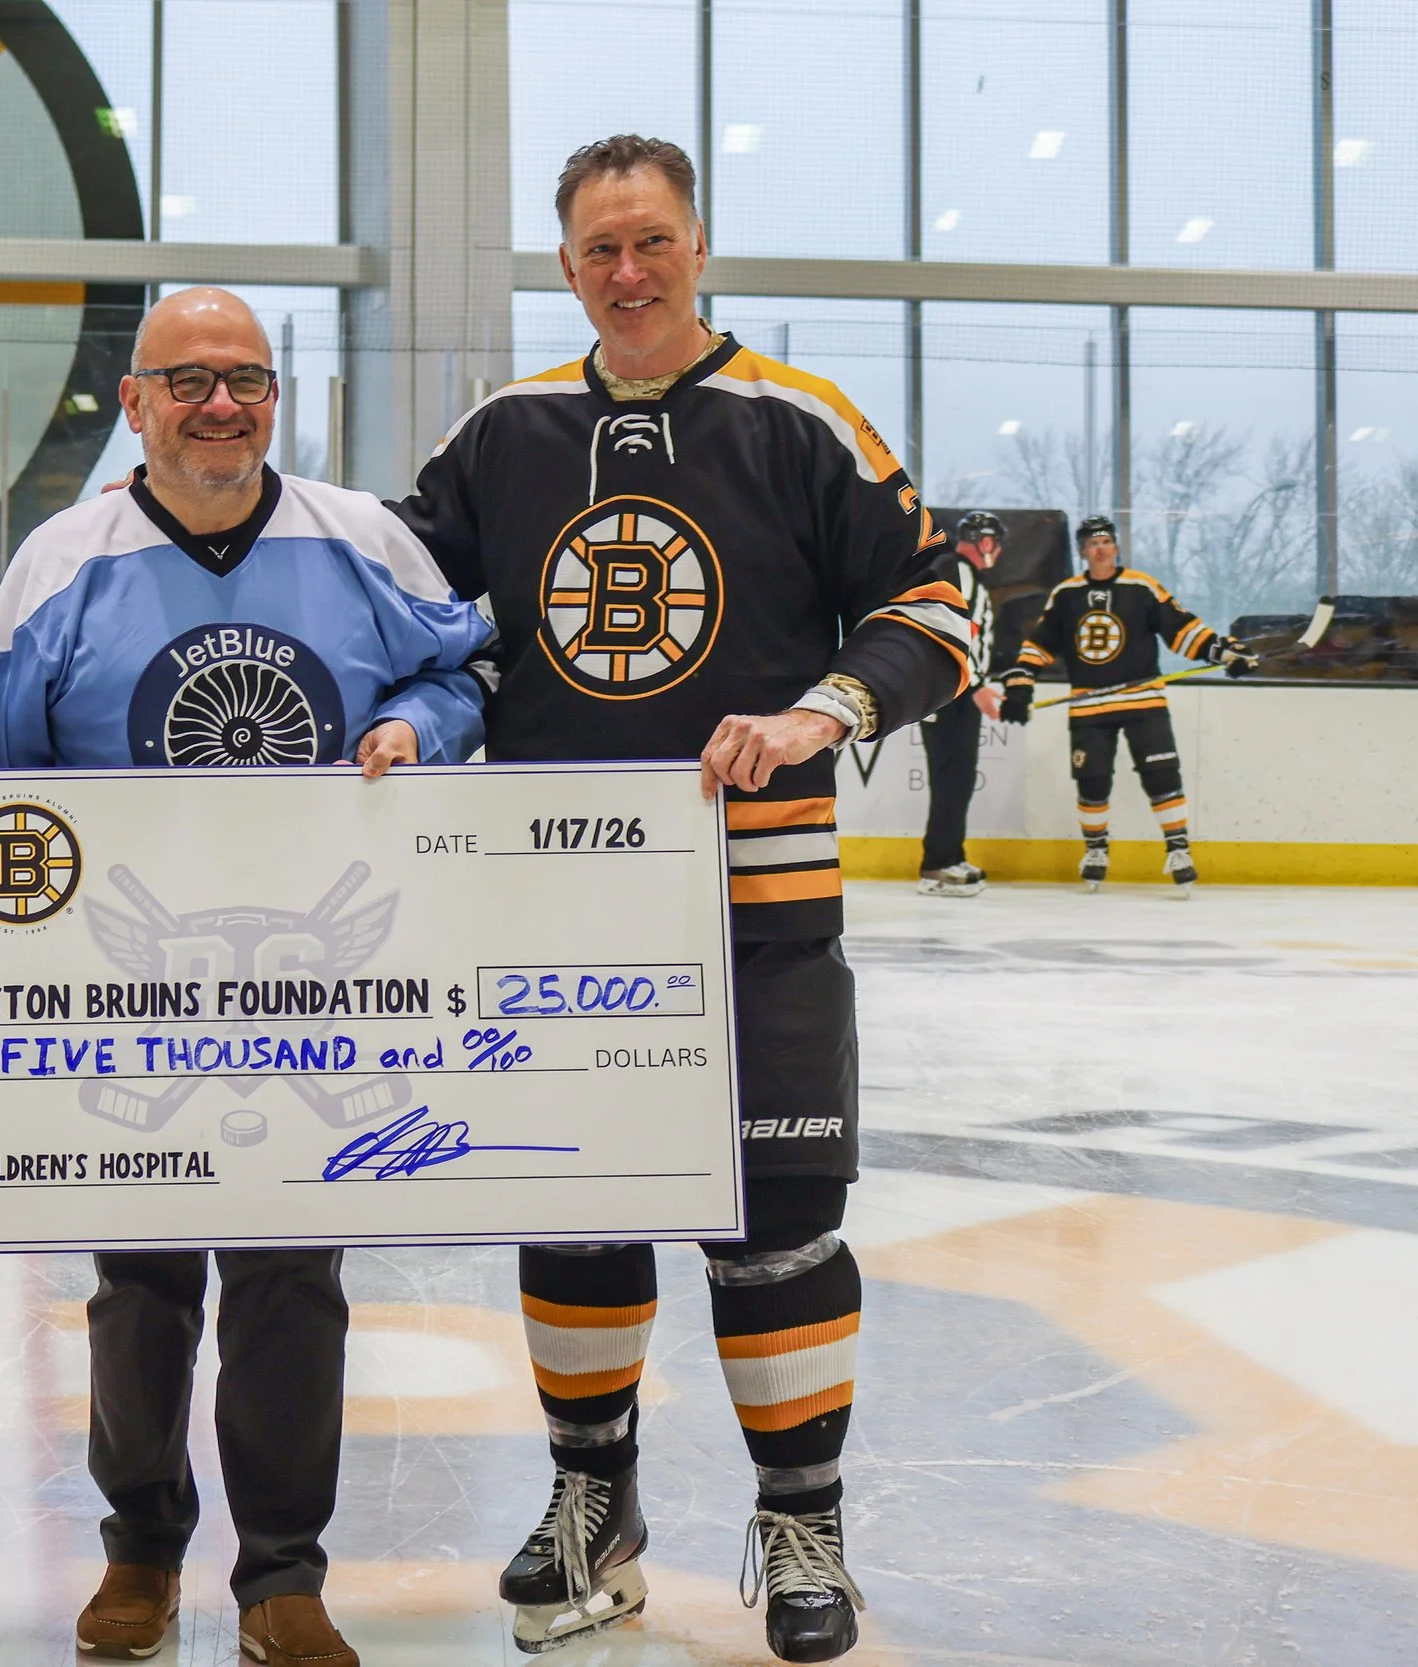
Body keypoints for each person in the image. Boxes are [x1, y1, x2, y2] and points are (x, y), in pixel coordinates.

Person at [391, 134, 974, 1664]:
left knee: (778, 1223)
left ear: (699, 243)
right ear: (566, 264)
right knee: (574, 1210)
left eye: (652, 240)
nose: (629, 273)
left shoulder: (797, 421)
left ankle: (803, 1522)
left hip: (759, 908)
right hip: (549, 910)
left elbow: (940, 603)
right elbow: (395, 607)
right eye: (599, 249)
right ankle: (599, 1500)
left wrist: (827, 706)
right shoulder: (503, 433)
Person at [0, 286, 495, 1667]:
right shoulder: (64, 560)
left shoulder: (360, 539)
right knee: (142, 1280)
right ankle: (142, 1551)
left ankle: (284, 1570)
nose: (220, 403)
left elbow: (467, 672)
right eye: (189, 380)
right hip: (131, 988)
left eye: (245, 377)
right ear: (135, 403)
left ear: (274, 395)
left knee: (294, 1275)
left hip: (318, 981)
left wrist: (415, 723)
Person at [997, 513, 1256, 894]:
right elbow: (1039, 643)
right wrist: (1021, 682)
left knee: (1162, 775)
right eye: (1092, 543)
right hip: (1088, 704)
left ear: (1116, 546)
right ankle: (1097, 849)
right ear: (1083, 552)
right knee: (1092, 781)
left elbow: (1181, 629)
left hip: (1142, 700)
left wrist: (1222, 650)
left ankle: (1179, 849)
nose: (1101, 548)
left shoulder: (1141, 586)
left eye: (1107, 541)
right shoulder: (1066, 594)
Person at [916, 509, 1008, 896]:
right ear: (986, 543)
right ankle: (938, 863)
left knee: (956, 777)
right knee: (952, 777)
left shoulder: (963, 574)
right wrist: (978, 687)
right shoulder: (960, 573)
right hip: (951, 693)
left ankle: (949, 854)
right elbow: (959, 632)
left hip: (955, 692)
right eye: (996, 543)